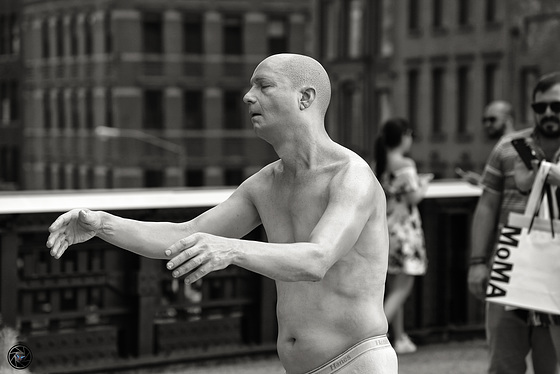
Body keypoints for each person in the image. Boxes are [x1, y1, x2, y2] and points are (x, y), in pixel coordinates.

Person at [46, 54, 398, 374]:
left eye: (263, 85)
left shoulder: (352, 176)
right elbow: (186, 234)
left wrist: (230, 249)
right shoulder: (265, 184)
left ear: (304, 98)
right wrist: (102, 224)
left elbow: (315, 260)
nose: (248, 96)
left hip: (357, 361)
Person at [468, 72, 560, 373]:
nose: (548, 113)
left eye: (557, 106)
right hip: (509, 267)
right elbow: (487, 206)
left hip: (557, 272)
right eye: (541, 107)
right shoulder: (511, 147)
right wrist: (479, 262)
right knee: (504, 363)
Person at [373, 118, 432, 354]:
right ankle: (373, 336)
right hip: (405, 231)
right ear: (404, 136)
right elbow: (413, 198)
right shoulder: (405, 164)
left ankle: (399, 339)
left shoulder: (378, 162)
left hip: (386, 229)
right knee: (402, 287)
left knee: (393, 286)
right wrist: (424, 185)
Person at [457, 100, 515, 185]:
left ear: (508, 120)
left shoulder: (513, 146)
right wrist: (480, 181)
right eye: (484, 120)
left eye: (492, 119)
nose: (487, 124)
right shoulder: (502, 146)